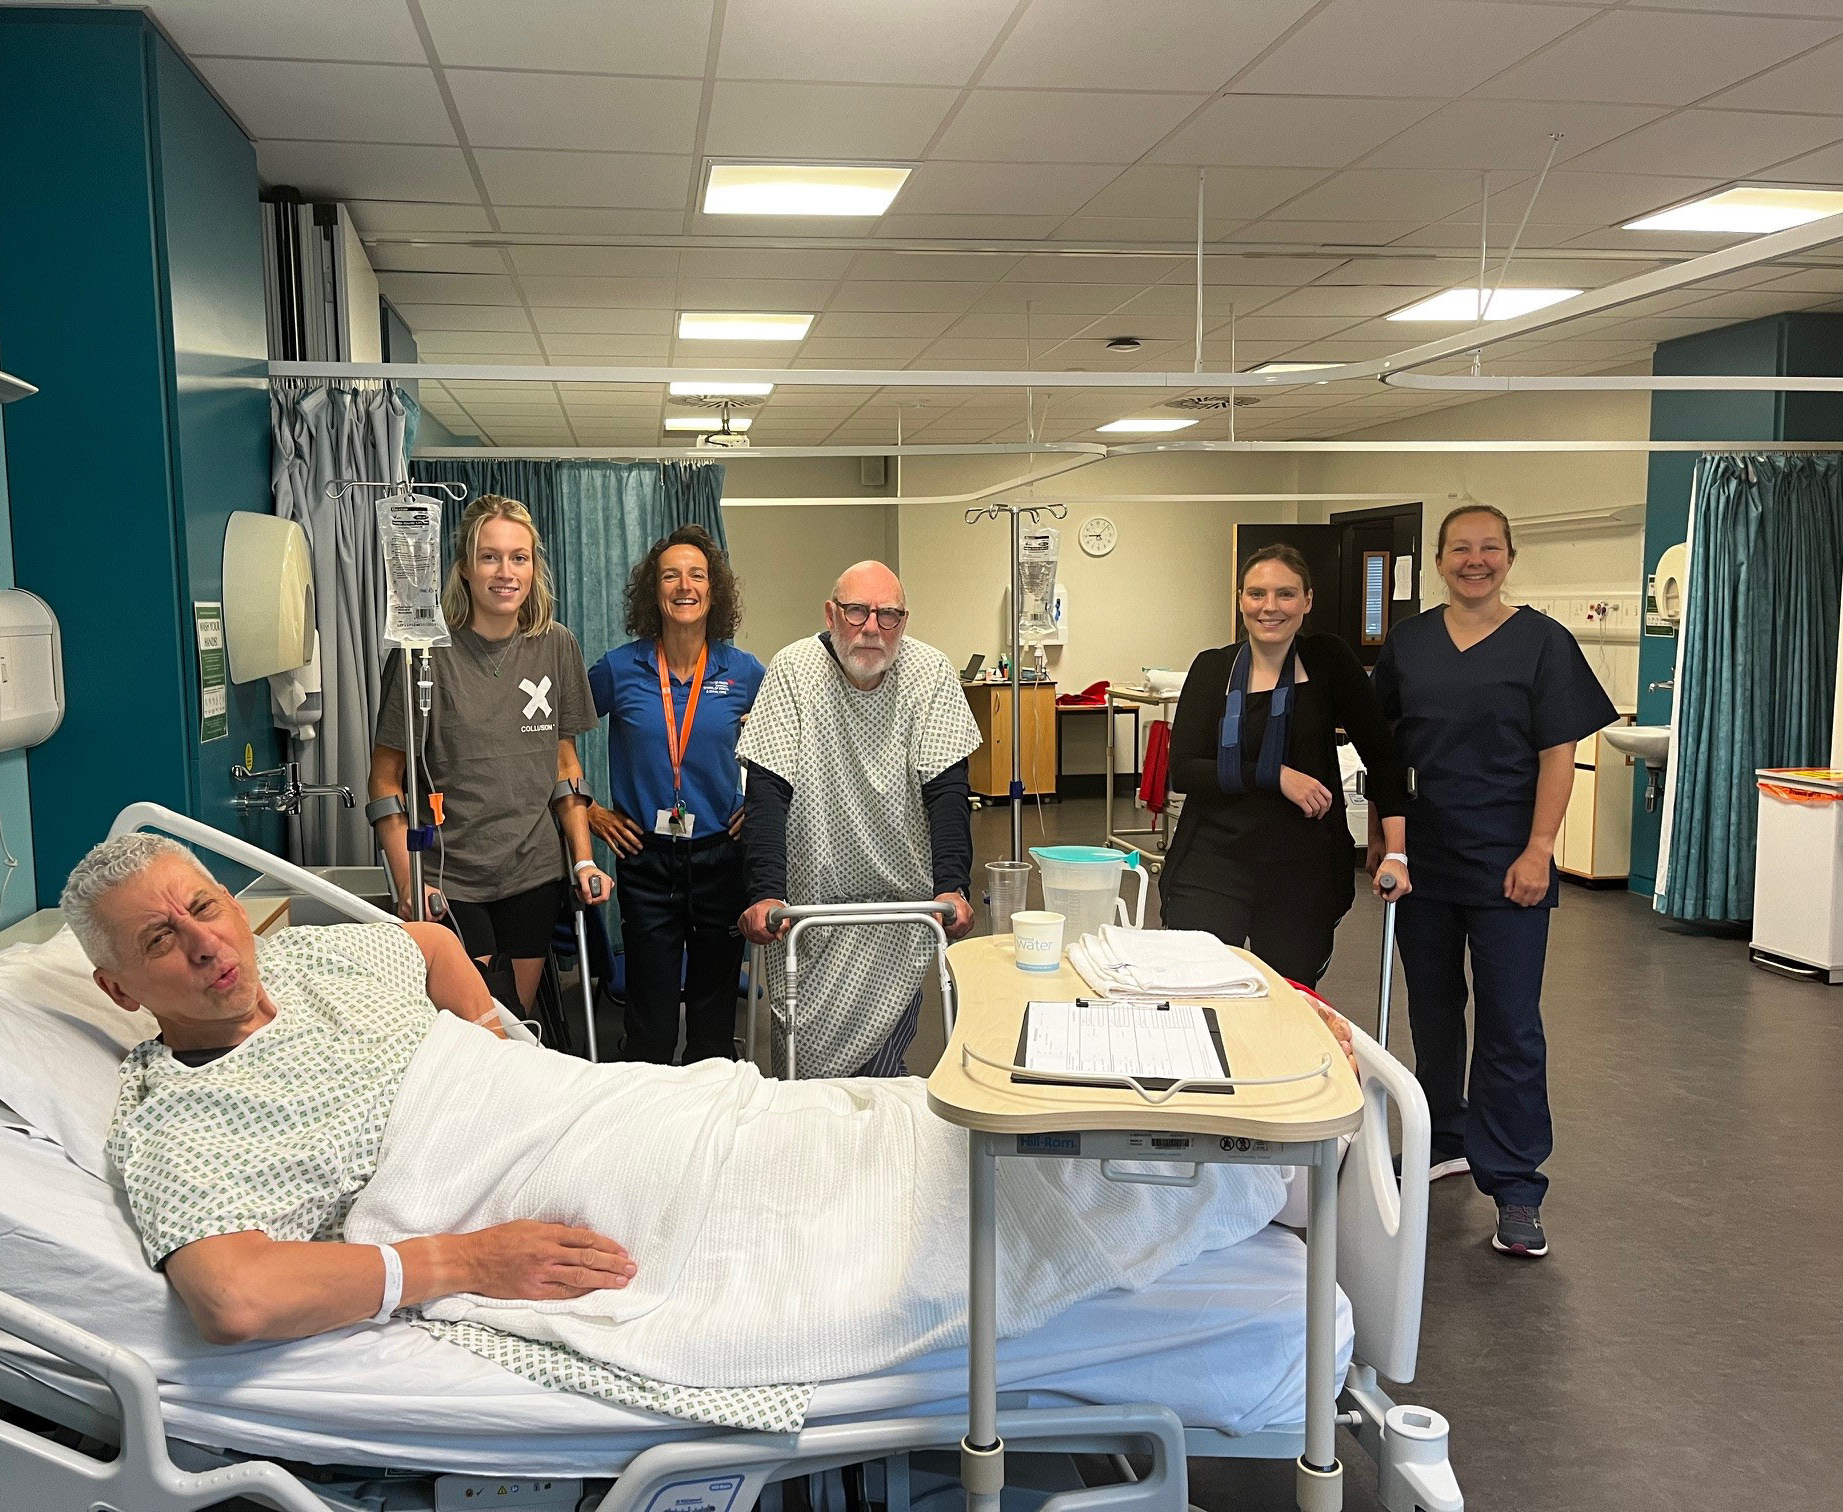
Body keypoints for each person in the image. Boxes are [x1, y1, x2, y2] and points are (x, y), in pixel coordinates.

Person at [64, 832, 1331, 1377]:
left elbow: (431, 952)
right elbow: (231, 1297)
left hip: (572, 1102)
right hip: (489, 1180)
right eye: (161, 942)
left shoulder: (312, 958)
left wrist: (516, 1052)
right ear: (121, 986)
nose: (206, 943)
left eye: (207, 907)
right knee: (858, 1204)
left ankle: (1206, 1131)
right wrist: (460, 1259)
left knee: (875, 1120)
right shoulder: (177, 1119)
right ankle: (1220, 1182)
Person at [1371, 503, 1617, 1262]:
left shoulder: (1543, 643)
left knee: (1511, 1023)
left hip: (1511, 863)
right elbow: (1388, 760)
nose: (1473, 560)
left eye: (1488, 549)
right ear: (1439, 560)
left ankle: (1514, 1184)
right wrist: (1393, 848)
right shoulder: (1409, 645)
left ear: (1510, 557)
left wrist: (1541, 848)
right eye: (1459, 549)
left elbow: (1557, 753)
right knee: (1435, 1013)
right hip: (1426, 865)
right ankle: (1444, 1136)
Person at [368, 495, 610, 1016]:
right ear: (464, 569)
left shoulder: (556, 646)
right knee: (478, 1020)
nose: (506, 572)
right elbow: (386, 780)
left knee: (514, 1020)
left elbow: (565, 766)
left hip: (533, 870)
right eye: (490, 557)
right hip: (449, 872)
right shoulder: (422, 655)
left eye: (519, 558)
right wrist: (407, 881)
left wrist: (584, 857)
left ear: (534, 568)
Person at [736, 561, 979, 1078]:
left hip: (900, 910)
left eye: (888, 614)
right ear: (831, 613)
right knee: (801, 1072)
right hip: (808, 915)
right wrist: (764, 891)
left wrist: (953, 885)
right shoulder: (793, 671)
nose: (872, 627)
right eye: (857, 611)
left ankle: (874, 1151)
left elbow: (948, 793)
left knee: (879, 1077)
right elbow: (767, 791)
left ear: (904, 620)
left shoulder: (931, 673)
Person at [1158, 545, 1409, 987]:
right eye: (1257, 594)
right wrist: (1274, 775)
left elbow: (1383, 756)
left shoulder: (1328, 661)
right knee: (1201, 991)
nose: (1270, 607)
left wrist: (1395, 851)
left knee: (1291, 1000)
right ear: (1240, 600)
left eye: (1285, 594)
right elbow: (1184, 770)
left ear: (1307, 601)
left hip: (1303, 868)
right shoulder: (1213, 668)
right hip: (1214, 861)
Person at [587, 527, 765, 1064]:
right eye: (670, 575)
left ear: (715, 591)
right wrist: (588, 809)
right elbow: (554, 733)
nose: (684, 586)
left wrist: (757, 804)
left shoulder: (744, 672)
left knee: (714, 1024)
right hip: (645, 857)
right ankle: (649, 1135)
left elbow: (785, 750)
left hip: (719, 857)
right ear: (653, 592)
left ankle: (710, 1133)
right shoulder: (619, 670)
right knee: (650, 1022)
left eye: (697, 575)